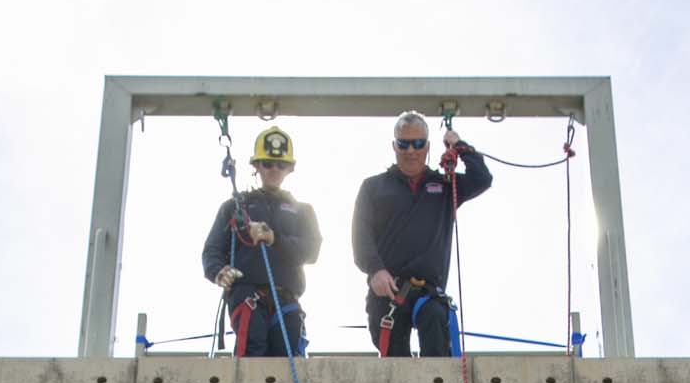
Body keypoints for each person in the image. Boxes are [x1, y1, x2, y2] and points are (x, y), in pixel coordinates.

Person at [351, 111, 492, 358]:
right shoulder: (373, 187)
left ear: (427, 147)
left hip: (428, 292)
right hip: (389, 291)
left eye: (418, 144)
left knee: (437, 326)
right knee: (394, 362)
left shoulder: (446, 187)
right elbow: (361, 236)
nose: (411, 151)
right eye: (404, 144)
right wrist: (375, 269)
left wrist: (458, 146)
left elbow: (482, 179)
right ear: (394, 146)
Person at [202, 127, 322, 357]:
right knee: (252, 349)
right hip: (247, 294)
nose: (274, 170)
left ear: (290, 168)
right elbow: (212, 250)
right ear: (256, 166)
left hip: (286, 296)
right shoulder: (236, 208)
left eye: (280, 164)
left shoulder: (303, 211)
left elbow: (311, 250)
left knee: (288, 356)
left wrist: (274, 238)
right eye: (267, 163)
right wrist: (219, 271)